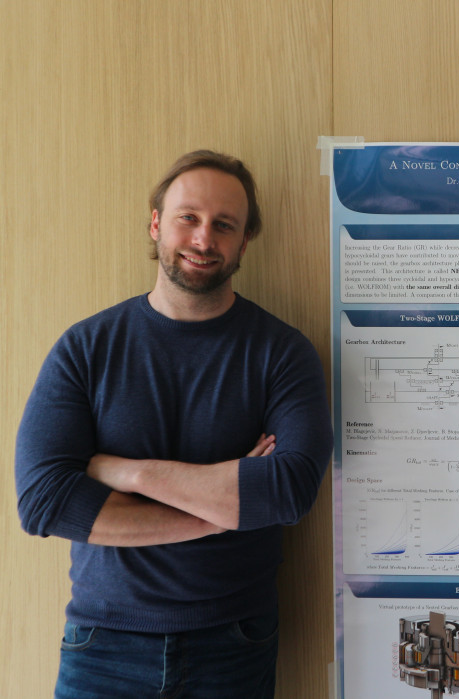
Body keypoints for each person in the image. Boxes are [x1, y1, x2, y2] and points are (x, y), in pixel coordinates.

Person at [15, 150, 333, 699]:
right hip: (103, 645)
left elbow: (288, 490)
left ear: (244, 242)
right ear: (156, 223)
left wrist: (130, 473)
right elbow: (44, 502)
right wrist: (220, 515)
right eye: (189, 217)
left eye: (224, 225)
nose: (204, 239)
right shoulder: (86, 347)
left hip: (234, 644)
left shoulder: (283, 352)